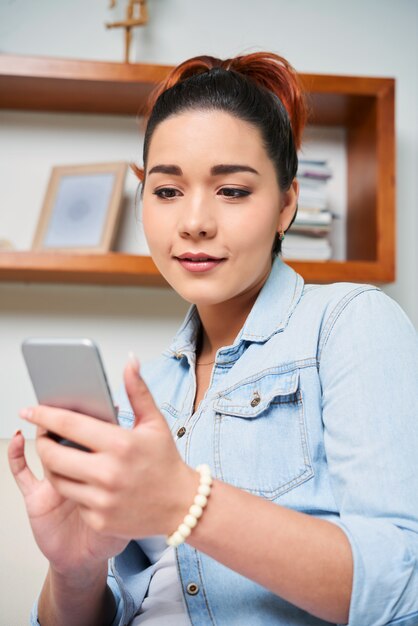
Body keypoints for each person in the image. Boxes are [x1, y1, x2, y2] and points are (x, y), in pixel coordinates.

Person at [8, 51, 418, 626]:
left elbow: (402, 588)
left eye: (232, 191)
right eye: (168, 191)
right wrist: (73, 571)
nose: (194, 221)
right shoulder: (144, 392)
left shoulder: (350, 323)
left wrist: (184, 500)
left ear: (287, 204)